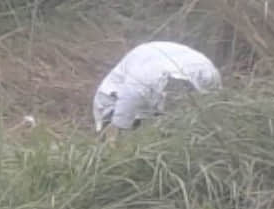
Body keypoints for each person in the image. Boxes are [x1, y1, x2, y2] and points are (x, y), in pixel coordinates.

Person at [92, 41, 221, 139]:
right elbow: (125, 109)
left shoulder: (208, 74)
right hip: (116, 97)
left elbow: (214, 103)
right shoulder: (142, 78)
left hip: (165, 69)